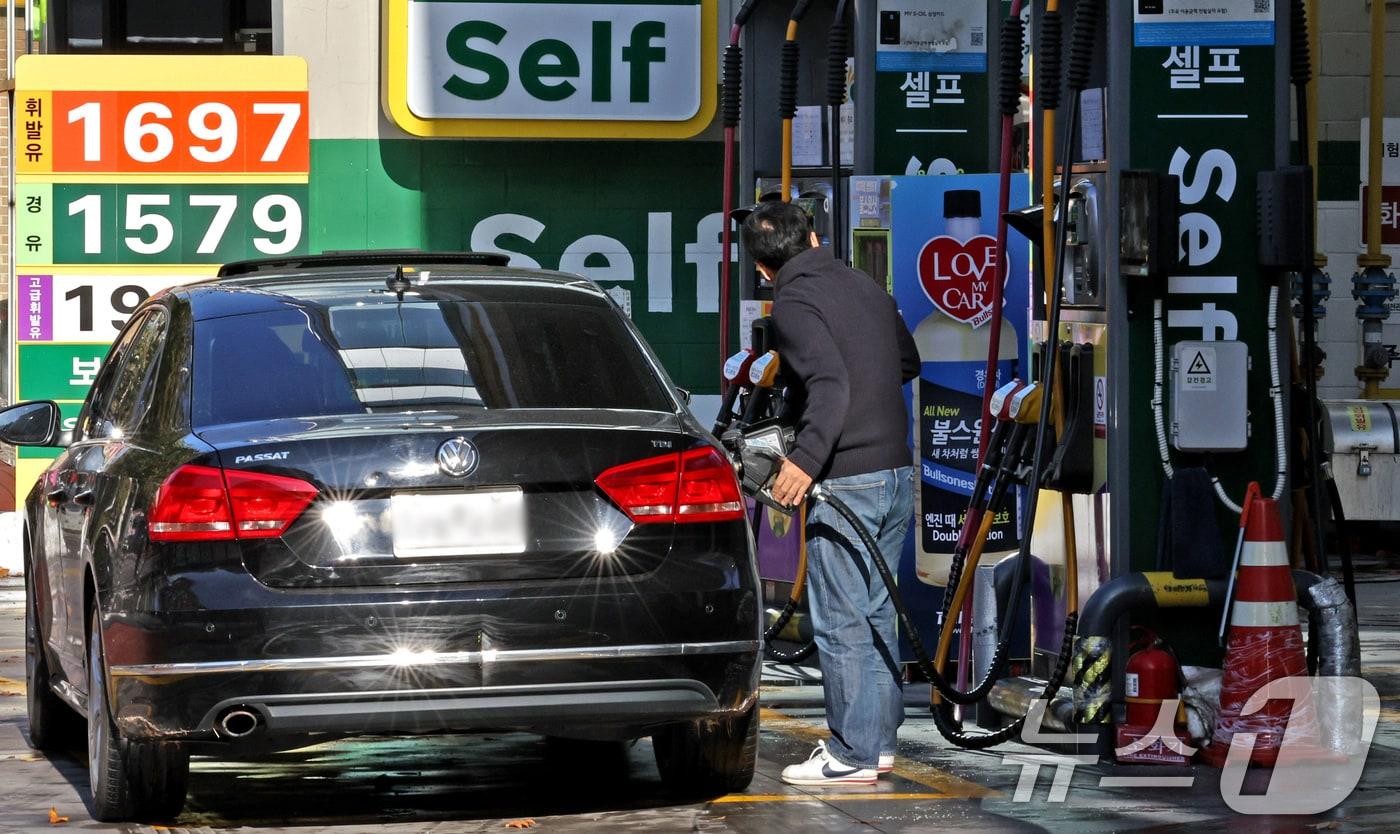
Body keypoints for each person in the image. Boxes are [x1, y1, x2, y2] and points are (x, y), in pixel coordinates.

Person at [739, 201, 919, 786]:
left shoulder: (791, 304)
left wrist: (806, 461)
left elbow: (831, 382)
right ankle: (879, 743)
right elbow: (907, 361)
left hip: (846, 477)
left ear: (763, 271)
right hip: (896, 473)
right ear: (814, 237)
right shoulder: (866, 285)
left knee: (840, 617)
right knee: (877, 611)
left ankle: (851, 754)